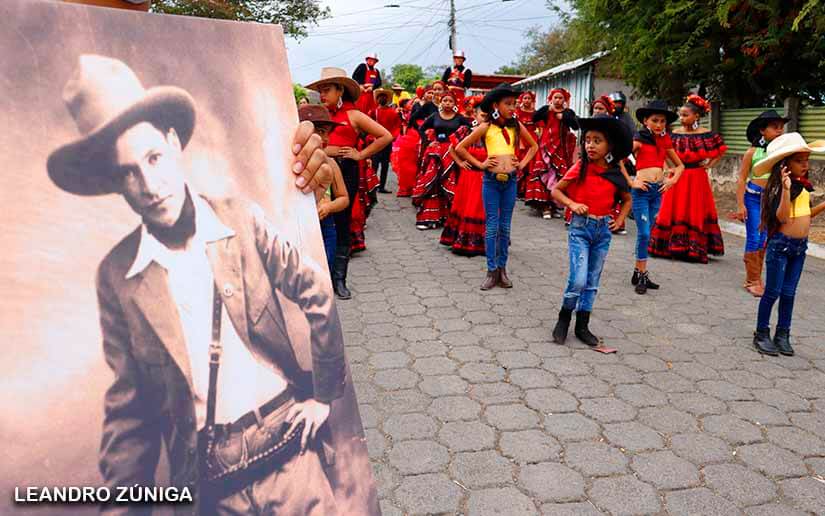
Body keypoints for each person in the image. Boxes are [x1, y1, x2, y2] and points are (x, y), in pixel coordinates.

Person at [46, 55, 345, 515]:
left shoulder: (239, 218)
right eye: (128, 171)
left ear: (171, 141)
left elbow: (317, 292)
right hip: (212, 487)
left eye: (152, 158)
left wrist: (324, 396)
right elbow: (131, 414)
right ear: (114, 183)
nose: (149, 183)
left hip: (293, 455)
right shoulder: (117, 277)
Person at [306, 67, 392, 300]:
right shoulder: (317, 113)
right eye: (320, 90)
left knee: (342, 224)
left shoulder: (353, 115)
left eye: (327, 90)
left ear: (340, 90)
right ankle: (318, 275)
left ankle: (339, 279)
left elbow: (386, 136)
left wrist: (361, 155)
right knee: (315, 222)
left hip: (345, 173)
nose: (322, 94)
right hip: (315, 173)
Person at [550, 115, 633, 347]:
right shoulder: (581, 167)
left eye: (597, 141)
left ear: (610, 146)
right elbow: (556, 190)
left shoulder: (615, 171)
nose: (590, 145)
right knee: (578, 279)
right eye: (587, 140)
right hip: (580, 229)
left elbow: (627, 199)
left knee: (592, 281)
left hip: (602, 232)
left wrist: (620, 219)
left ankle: (582, 325)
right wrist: (573, 205)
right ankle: (564, 318)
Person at [455, 83, 538, 289]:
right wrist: (481, 164)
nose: (512, 108)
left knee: (505, 227)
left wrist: (522, 164)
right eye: (508, 104)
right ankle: (491, 271)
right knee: (492, 226)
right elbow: (460, 147)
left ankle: (503, 270)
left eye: (514, 104)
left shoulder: (517, 126)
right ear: (495, 105)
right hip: (491, 181)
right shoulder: (486, 127)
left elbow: (534, 146)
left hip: (510, 181)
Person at [751, 133, 825, 356]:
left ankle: (783, 333)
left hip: (799, 247)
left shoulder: (803, 187)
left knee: (790, 293)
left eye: (806, 160)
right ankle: (761, 333)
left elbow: (805, 215)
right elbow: (782, 218)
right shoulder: (779, 188)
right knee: (773, 291)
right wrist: (784, 189)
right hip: (781, 246)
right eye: (799, 161)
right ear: (785, 164)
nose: (805, 165)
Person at [649, 95, 727, 263]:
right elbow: (664, 151)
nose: (682, 118)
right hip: (677, 175)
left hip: (697, 176)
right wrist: (670, 167)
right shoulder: (674, 134)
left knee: (695, 208)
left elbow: (720, 149)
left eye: (685, 115)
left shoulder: (705, 134)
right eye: (681, 115)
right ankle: (668, 246)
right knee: (673, 208)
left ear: (696, 116)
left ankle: (693, 248)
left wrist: (709, 165)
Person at [630, 100, 685, 294]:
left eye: (662, 121)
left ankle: (638, 272)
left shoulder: (664, 140)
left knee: (647, 233)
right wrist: (631, 182)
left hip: (657, 192)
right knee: (644, 233)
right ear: (646, 121)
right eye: (655, 120)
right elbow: (621, 158)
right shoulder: (639, 138)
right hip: (641, 192)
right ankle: (642, 275)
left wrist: (672, 181)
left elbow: (680, 165)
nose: (659, 124)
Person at [732, 110, 789, 296]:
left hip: (772, 199)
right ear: (762, 130)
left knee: (764, 238)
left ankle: (757, 277)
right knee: (754, 237)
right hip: (753, 198)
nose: (780, 130)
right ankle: (752, 280)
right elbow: (741, 179)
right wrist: (741, 205)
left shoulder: (783, 153)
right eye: (775, 127)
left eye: (781, 127)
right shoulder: (752, 152)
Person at [299, 104, 350, 276]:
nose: (326, 138)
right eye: (320, 131)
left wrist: (329, 207)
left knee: (324, 270)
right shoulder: (292, 164)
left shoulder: (331, 162)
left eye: (328, 133)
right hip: (300, 226)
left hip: (325, 224)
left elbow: (344, 197)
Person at [413, 89, 471, 229]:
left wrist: (461, 143)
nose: (447, 103)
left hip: (453, 153)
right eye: (445, 100)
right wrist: (428, 141)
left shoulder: (460, 118)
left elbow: (472, 130)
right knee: (433, 182)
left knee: (450, 182)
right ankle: (429, 217)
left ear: (454, 103)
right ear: (441, 102)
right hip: (436, 153)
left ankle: (449, 218)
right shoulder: (434, 116)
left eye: (450, 101)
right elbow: (421, 128)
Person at [440, 103, 488, 256]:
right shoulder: (466, 131)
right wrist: (460, 163)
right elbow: (451, 149)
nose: (485, 119)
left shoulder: (494, 134)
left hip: (487, 177)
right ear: (475, 115)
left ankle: (485, 242)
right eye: (483, 116)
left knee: (483, 209)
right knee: (470, 207)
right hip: (469, 177)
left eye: (488, 116)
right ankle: (465, 241)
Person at [528, 88, 579, 219]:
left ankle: (554, 205)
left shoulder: (568, 112)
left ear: (565, 100)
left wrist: (565, 117)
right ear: (551, 98)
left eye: (560, 98)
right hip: (546, 147)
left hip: (561, 149)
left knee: (558, 177)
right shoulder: (546, 110)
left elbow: (575, 126)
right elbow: (534, 118)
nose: (557, 100)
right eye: (555, 97)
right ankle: (545, 207)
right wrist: (547, 110)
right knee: (545, 174)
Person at [591, 95, 632, 234]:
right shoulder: (589, 126)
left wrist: (626, 178)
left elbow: (620, 151)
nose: (597, 111)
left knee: (613, 193)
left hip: (610, 165)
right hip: (592, 166)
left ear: (608, 111)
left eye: (601, 108)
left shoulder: (616, 127)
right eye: (595, 108)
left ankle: (615, 222)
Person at [371, 88, 401, 193]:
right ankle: (373, 185)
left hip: (386, 143)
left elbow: (397, 127)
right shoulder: (373, 112)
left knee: (384, 165)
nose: (382, 99)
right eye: (380, 97)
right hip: (376, 141)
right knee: (374, 165)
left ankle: (381, 186)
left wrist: (391, 137)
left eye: (383, 97)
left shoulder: (392, 113)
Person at [515, 90, 538, 199]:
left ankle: (526, 191)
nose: (527, 101)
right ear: (521, 99)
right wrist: (519, 142)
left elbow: (540, 127)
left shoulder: (535, 113)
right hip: (519, 139)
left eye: (529, 98)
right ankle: (517, 190)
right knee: (518, 163)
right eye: (525, 98)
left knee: (530, 165)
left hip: (531, 140)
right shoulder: (517, 112)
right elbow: (515, 127)